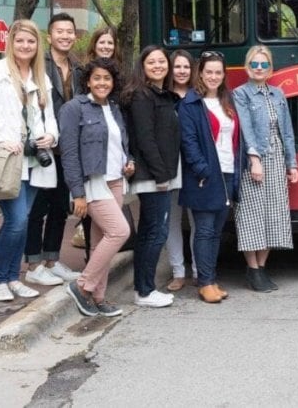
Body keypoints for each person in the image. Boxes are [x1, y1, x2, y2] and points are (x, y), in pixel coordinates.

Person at [0, 20, 60, 303]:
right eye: (20, 41)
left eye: (30, 42)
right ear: (11, 42)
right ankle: (0, 280)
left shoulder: (41, 76)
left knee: (23, 220)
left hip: (34, 159)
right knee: (16, 221)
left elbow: (49, 118)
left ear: (37, 45)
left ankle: (13, 278)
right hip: (8, 159)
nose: (25, 46)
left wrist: (50, 137)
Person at [61, 58, 135, 317]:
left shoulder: (114, 109)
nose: (102, 83)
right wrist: (78, 194)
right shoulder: (74, 108)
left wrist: (129, 162)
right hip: (93, 183)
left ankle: (98, 297)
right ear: (88, 82)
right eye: (97, 78)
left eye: (107, 78)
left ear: (113, 82)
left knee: (101, 240)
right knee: (119, 231)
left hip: (116, 180)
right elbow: (69, 154)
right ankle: (82, 286)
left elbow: (120, 145)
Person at [233, 45, 298, 292]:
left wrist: (291, 163)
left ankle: (261, 268)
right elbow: (246, 129)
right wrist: (254, 159)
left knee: (274, 214)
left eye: (263, 65)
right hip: (256, 160)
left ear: (270, 68)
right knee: (251, 215)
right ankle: (252, 268)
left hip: (277, 158)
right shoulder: (241, 94)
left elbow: (287, 131)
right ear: (247, 67)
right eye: (254, 64)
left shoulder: (278, 94)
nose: (259, 69)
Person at [24, 13, 82, 289]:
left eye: (69, 32)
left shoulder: (78, 67)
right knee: (38, 207)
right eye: (60, 31)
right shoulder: (38, 65)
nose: (65, 36)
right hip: (43, 148)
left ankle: (52, 259)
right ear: (50, 36)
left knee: (60, 207)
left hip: (67, 149)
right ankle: (33, 264)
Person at [178, 51, 240, 304]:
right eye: (209, 72)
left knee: (216, 230)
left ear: (223, 75)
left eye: (218, 72)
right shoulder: (191, 104)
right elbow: (188, 142)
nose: (213, 76)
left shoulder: (228, 100)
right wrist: (203, 170)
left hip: (227, 171)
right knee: (204, 229)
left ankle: (212, 278)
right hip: (204, 176)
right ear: (200, 73)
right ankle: (204, 282)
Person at [121, 46, 179, 308]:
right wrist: (161, 174)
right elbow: (145, 139)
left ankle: (143, 288)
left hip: (160, 174)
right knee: (156, 232)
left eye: (161, 61)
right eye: (151, 62)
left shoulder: (161, 95)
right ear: (142, 67)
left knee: (150, 231)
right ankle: (145, 291)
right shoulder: (142, 96)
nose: (158, 65)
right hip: (154, 176)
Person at [165, 49, 197, 292]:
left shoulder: (199, 96)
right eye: (177, 67)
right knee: (172, 221)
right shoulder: (164, 97)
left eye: (186, 67)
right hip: (171, 166)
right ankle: (178, 271)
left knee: (197, 220)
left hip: (194, 166)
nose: (182, 71)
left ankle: (198, 270)